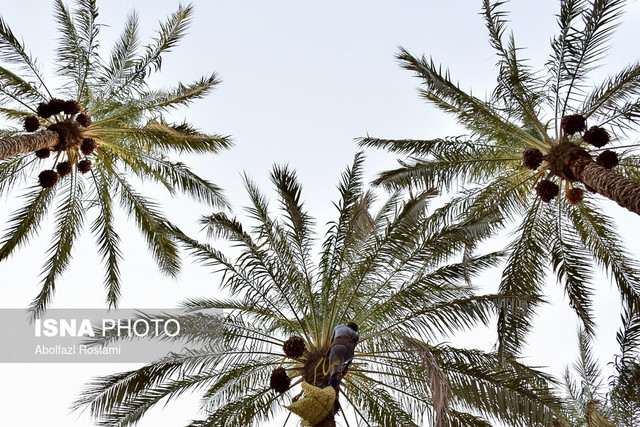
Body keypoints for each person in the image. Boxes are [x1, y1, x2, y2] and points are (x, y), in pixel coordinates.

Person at [327, 322, 358, 389]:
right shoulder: (355, 335)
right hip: (349, 354)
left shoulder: (338, 327)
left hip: (338, 346)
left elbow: (332, 341)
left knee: (335, 368)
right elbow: (354, 346)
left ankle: (332, 387)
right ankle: (335, 381)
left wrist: (327, 352)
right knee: (339, 363)